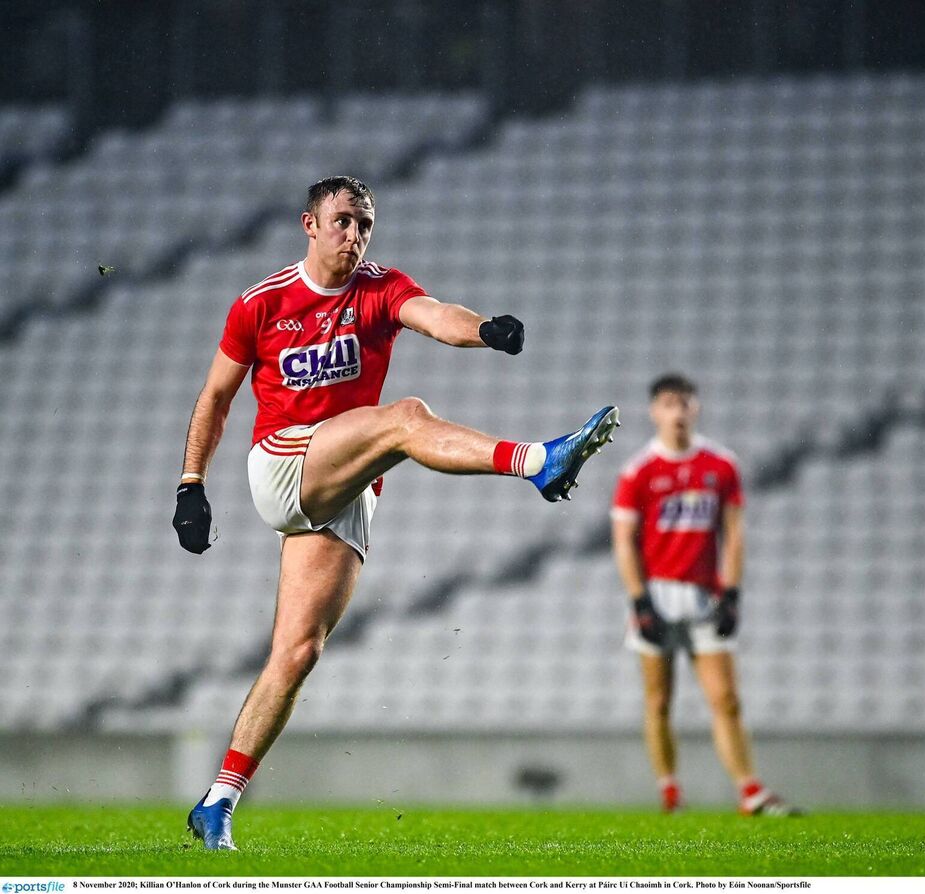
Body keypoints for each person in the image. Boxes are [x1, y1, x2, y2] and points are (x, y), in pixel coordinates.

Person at [173, 176, 619, 850]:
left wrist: (484, 330)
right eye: (343, 221)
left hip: (343, 487)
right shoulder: (261, 303)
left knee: (298, 652)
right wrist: (190, 484)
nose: (354, 235)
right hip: (282, 462)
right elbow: (215, 397)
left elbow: (436, 314)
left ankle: (218, 800)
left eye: (365, 224)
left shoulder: (380, 287)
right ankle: (538, 461)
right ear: (310, 224)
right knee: (406, 419)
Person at [610, 373, 799, 816]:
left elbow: (734, 534)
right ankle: (669, 789)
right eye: (669, 403)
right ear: (654, 411)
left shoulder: (721, 466)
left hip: (704, 595)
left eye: (685, 403)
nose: (678, 412)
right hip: (657, 592)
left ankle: (750, 791)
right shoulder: (639, 471)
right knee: (658, 699)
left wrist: (732, 593)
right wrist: (638, 600)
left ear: (696, 409)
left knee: (726, 698)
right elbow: (624, 540)